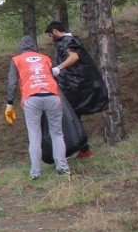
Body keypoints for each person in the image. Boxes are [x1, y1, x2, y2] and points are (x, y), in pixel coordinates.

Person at [6, 35, 71, 180]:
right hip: (52, 95)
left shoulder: (17, 59)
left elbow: (12, 83)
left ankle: (36, 172)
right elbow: (53, 74)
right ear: (35, 47)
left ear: (21, 47)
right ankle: (63, 168)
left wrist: (9, 103)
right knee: (57, 133)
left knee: (34, 135)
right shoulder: (45, 58)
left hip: (31, 96)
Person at [45, 21, 108, 158]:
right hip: (74, 84)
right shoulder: (69, 40)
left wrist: (58, 68)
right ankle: (82, 149)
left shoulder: (68, 40)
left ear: (55, 31)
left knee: (72, 117)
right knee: (74, 117)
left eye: (50, 35)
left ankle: (81, 149)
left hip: (75, 85)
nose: (50, 39)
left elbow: (74, 57)